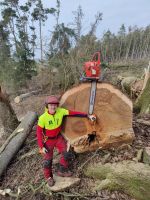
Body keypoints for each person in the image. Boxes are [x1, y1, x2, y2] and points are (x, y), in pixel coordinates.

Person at [36, 95, 96, 187]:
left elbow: (73, 113)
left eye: (55, 105)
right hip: (48, 141)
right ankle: (48, 177)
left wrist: (87, 115)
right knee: (47, 161)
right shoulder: (43, 118)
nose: (53, 107)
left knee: (67, 152)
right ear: (47, 106)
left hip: (58, 137)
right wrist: (41, 146)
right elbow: (39, 133)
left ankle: (62, 169)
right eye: (51, 105)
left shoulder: (61, 112)